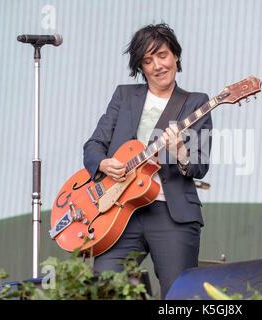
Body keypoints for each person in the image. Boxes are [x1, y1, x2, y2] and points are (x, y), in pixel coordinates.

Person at [83, 23, 212, 299]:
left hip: (172, 214)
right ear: (141, 67)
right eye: (147, 60)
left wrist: (180, 151)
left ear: (175, 55)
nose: (157, 66)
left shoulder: (196, 103)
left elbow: (200, 164)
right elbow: (94, 146)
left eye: (162, 55)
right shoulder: (124, 96)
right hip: (119, 216)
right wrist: (104, 164)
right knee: (103, 290)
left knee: (179, 298)